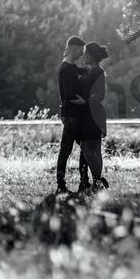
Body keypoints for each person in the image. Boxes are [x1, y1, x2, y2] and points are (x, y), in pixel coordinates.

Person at [56, 36, 91, 193]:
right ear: (75, 48)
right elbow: (70, 96)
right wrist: (86, 103)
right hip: (71, 116)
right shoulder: (66, 69)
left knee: (85, 148)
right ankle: (61, 184)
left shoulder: (71, 67)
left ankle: (84, 182)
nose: (82, 53)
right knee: (66, 150)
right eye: (81, 50)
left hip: (74, 115)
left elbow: (82, 71)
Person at [78, 41, 110, 191]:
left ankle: (97, 180)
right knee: (90, 148)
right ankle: (92, 182)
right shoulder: (89, 71)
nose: (83, 56)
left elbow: (100, 95)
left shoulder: (99, 72)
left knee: (89, 147)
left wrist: (84, 101)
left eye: (85, 54)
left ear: (91, 56)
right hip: (87, 114)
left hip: (93, 114)